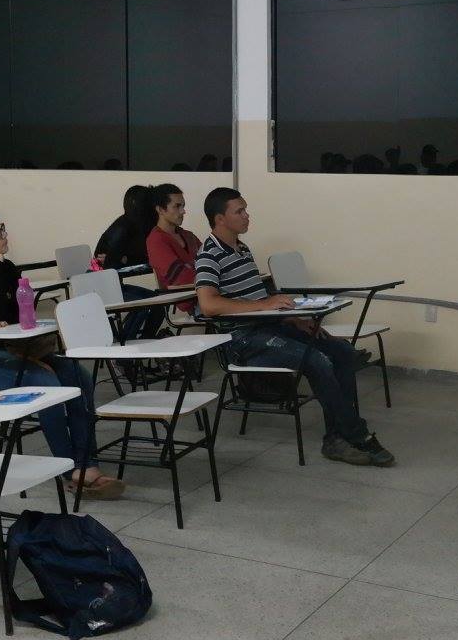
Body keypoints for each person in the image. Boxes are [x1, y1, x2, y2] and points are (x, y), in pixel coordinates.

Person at [194, 187, 395, 467]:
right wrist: (265, 305)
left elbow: (256, 301)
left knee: (341, 352)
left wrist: (293, 319)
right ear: (219, 219)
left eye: (246, 209)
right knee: (316, 360)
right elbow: (208, 305)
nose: (247, 215)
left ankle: (336, 437)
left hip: (268, 327)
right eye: (239, 211)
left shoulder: (242, 249)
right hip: (242, 340)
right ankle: (356, 434)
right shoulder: (209, 255)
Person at [0, 210, 123, 499]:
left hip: (17, 349)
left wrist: (0, 277)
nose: (5, 236)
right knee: (46, 384)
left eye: (2, 228)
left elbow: (17, 315)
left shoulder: (7, 268)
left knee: (79, 377)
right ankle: (69, 470)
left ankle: (86, 463)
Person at [95, 185, 164, 339]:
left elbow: (142, 257)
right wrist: (122, 259)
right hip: (100, 287)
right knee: (141, 306)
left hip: (116, 284)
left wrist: (124, 258)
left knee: (160, 303)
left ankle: (146, 342)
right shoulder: (122, 227)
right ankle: (125, 346)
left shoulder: (143, 226)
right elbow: (108, 263)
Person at [146, 184, 202, 313]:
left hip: (208, 294)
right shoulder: (156, 240)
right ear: (160, 209)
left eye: (183, 206)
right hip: (194, 301)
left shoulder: (189, 236)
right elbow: (181, 278)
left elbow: (212, 260)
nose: (183, 211)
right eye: (177, 206)